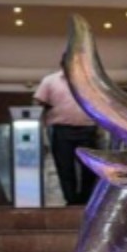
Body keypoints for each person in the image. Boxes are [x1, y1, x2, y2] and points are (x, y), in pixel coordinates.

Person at [33, 70, 99, 205]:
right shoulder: (50, 80)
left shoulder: (91, 80)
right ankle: (71, 200)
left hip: (88, 129)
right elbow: (38, 102)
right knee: (65, 168)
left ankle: (85, 200)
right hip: (61, 129)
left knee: (90, 168)